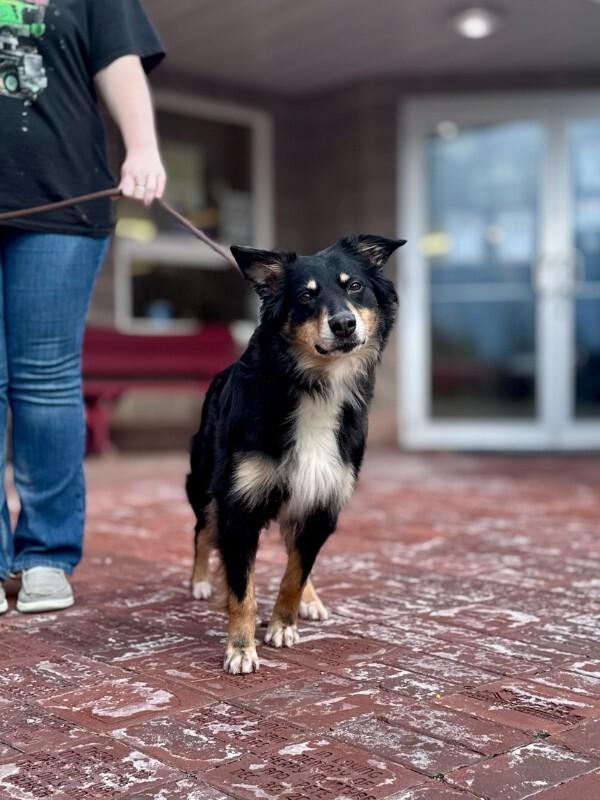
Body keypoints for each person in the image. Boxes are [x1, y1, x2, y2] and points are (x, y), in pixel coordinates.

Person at [0, 0, 166, 613]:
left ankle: (46, 554)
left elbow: (118, 59)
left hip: (64, 203)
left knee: (45, 380)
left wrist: (142, 148)